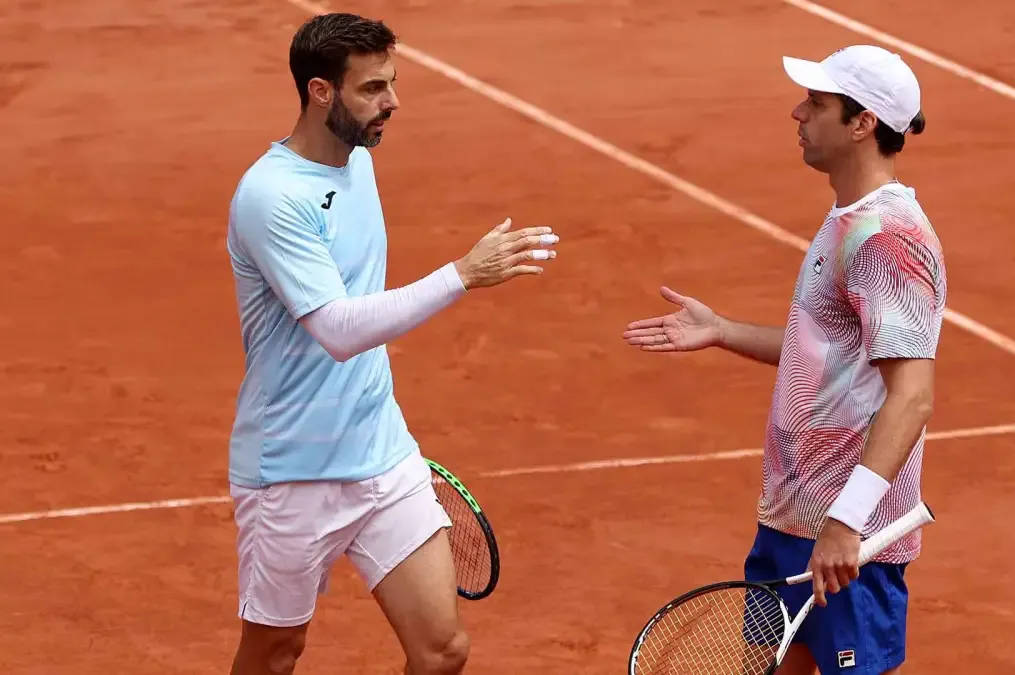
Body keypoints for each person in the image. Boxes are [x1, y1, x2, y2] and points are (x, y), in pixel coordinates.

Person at [223, 13, 558, 675]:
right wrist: (463, 274)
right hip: (293, 471)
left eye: (393, 83)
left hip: (382, 456)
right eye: (373, 88)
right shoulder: (271, 196)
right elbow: (339, 329)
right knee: (275, 655)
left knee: (441, 650)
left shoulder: (358, 164)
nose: (393, 102)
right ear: (322, 92)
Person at [623, 45, 946, 674]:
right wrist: (721, 330)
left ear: (862, 124)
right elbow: (828, 355)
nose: (798, 112)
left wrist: (847, 523)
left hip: (850, 541)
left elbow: (913, 395)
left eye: (817, 104)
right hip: (790, 521)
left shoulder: (889, 239)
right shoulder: (847, 220)